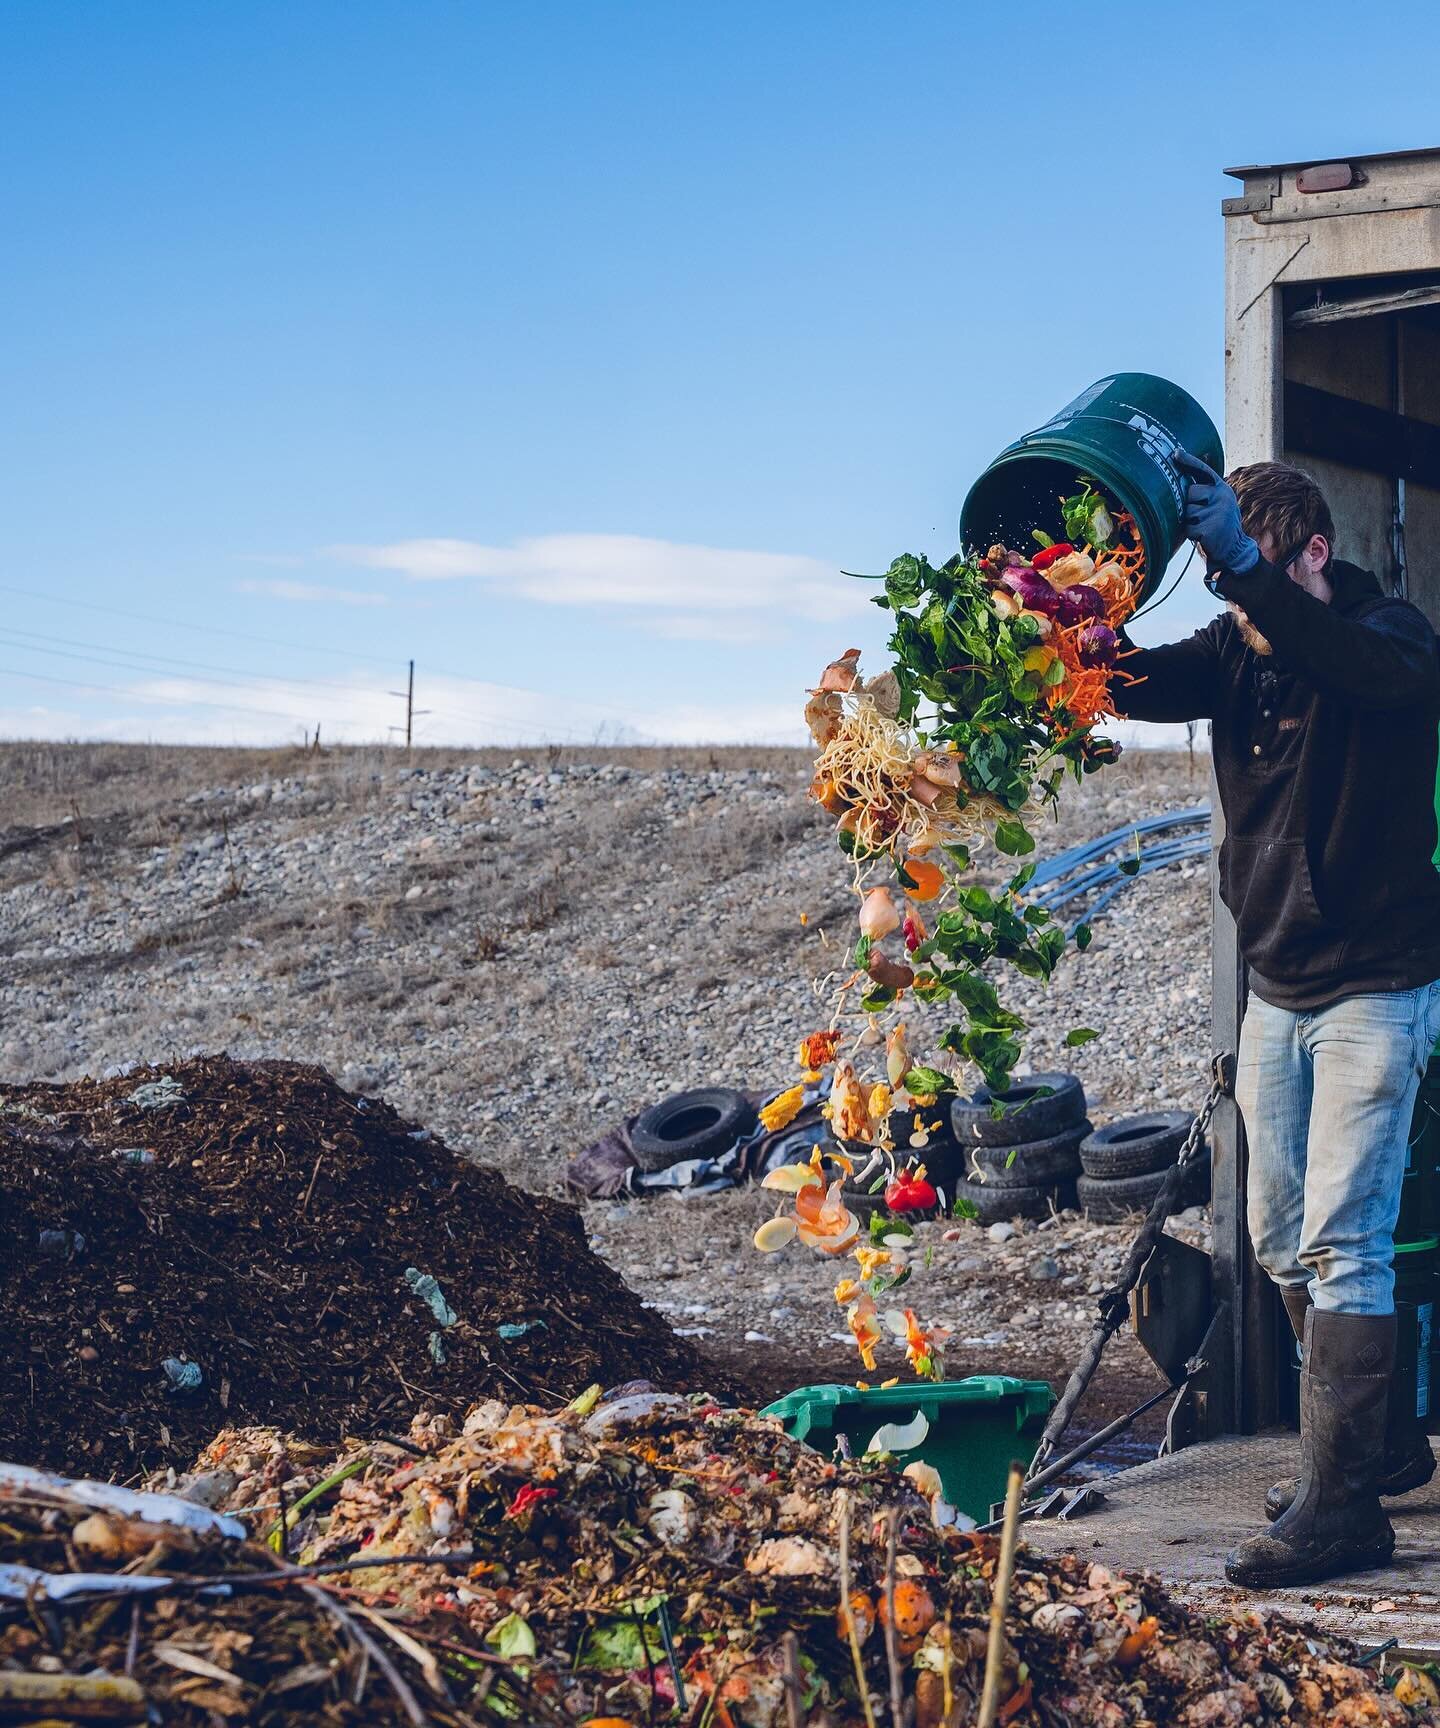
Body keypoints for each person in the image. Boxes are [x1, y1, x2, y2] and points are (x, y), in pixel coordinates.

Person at [1111, 452, 1440, 1588]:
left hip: (1376, 986)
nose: (1237, 607)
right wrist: (1040, 634)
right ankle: (1380, 1446)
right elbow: (1129, 680)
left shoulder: (1391, 641)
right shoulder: (1238, 648)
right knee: (1276, 1233)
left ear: (1314, 555)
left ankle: (1345, 1510)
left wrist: (1248, 575)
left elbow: (1339, 658)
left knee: (1348, 1243)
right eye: (1221, 579)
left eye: (1255, 573)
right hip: (1277, 985)